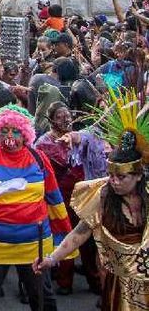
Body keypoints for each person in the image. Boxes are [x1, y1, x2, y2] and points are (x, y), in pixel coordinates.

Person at [34, 91, 148, 310]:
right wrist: (51, 259)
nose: (113, 181)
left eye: (121, 177)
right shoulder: (103, 196)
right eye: (111, 175)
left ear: (138, 176)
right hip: (118, 285)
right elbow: (78, 234)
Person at [0, 104, 74, 311]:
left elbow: (54, 199)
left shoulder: (39, 159)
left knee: (42, 300)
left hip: (34, 246)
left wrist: (62, 239)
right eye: (5, 130)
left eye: (16, 131)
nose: (10, 136)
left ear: (25, 134)